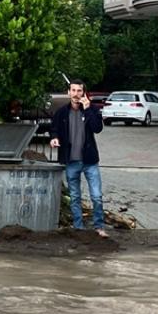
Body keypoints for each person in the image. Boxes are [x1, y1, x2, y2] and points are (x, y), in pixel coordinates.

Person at [50, 79, 107, 237]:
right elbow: (53, 129)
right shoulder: (62, 112)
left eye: (79, 91)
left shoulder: (92, 109)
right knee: (75, 197)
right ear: (68, 93)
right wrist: (54, 138)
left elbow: (97, 128)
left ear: (84, 93)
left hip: (90, 161)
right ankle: (78, 227)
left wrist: (88, 109)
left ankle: (99, 227)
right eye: (73, 91)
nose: (76, 94)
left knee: (96, 196)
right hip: (71, 161)